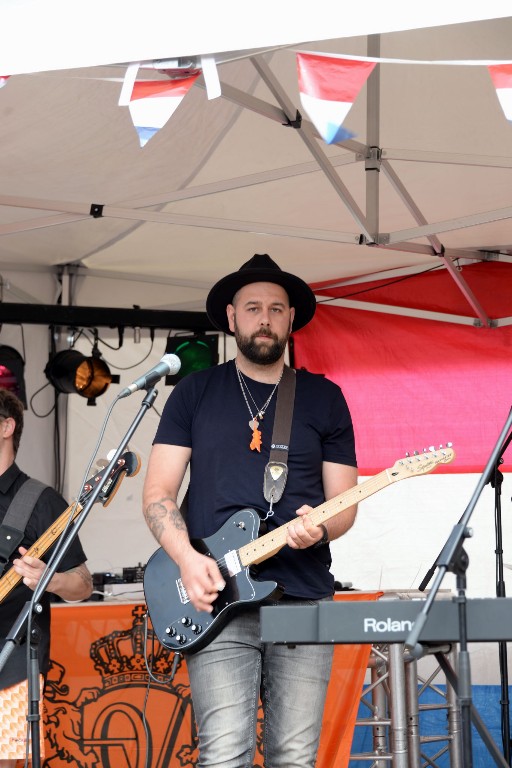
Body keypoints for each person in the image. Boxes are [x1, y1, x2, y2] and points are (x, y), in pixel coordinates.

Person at [143, 253, 358, 768]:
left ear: (290, 320)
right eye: (254, 307)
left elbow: (345, 505)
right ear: (233, 317)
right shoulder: (195, 392)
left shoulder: (324, 397)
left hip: (303, 596)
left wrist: (319, 527)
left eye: (277, 309)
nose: (265, 318)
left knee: (295, 755)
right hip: (215, 597)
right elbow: (157, 495)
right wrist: (189, 560)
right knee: (223, 753)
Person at [0, 390, 93, 768]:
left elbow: (83, 584)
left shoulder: (40, 501)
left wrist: (48, 580)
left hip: (12, 664)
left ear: (7, 427)